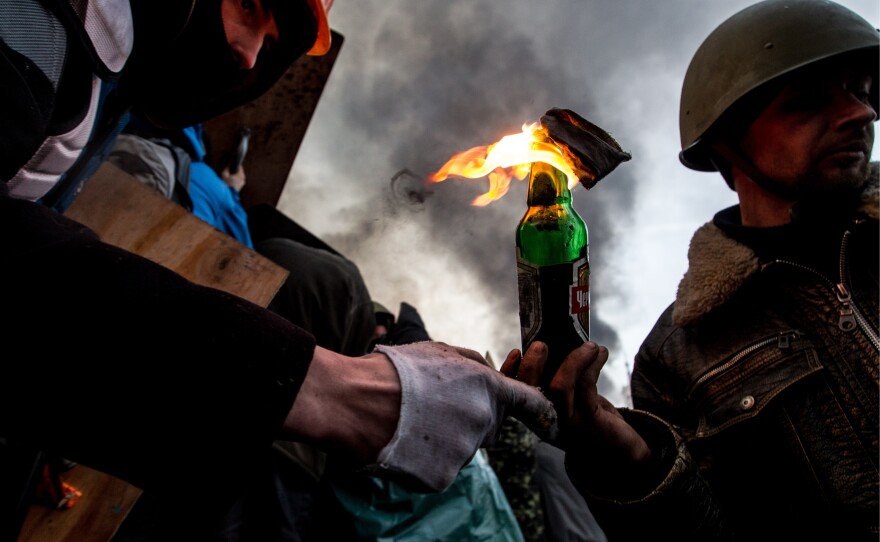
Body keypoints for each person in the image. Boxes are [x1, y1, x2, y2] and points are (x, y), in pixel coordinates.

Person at [0, 0, 557, 538]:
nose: (248, 55)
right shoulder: (31, 36)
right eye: (248, 4)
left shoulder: (106, 80)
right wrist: (331, 392)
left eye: (270, 42)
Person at [504, 1, 879, 540]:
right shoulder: (677, 354)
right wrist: (633, 462)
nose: (859, 113)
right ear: (727, 143)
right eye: (808, 102)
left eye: (863, 92)